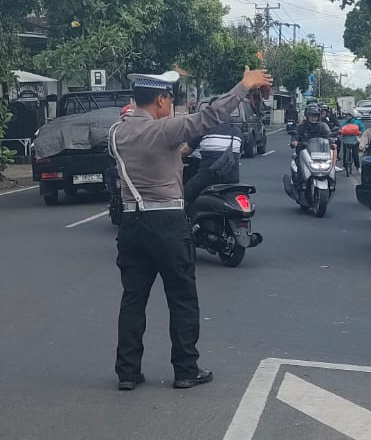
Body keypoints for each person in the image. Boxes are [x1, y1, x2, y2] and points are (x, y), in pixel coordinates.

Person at [108, 68, 273, 391]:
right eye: (169, 99)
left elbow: (154, 151)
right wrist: (243, 85)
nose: (170, 105)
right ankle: (185, 369)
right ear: (160, 99)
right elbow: (210, 116)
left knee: (133, 299)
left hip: (132, 225)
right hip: (167, 225)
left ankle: (127, 372)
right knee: (182, 298)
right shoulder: (165, 130)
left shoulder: (117, 132)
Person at [182, 100, 244, 207]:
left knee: (184, 196)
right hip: (232, 180)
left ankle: (186, 222)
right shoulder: (237, 132)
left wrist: (169, 156)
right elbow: (239, 153)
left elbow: (186, 151)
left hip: (208, 178)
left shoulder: (203, 129)